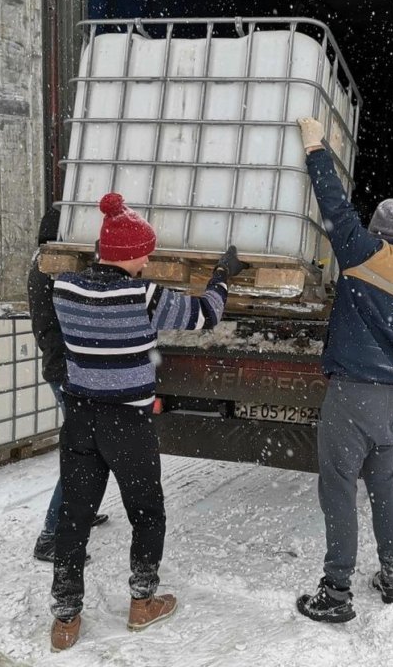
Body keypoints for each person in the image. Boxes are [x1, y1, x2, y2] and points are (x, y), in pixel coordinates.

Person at [48, 192, 247, 651]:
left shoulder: (64, 289)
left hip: (79, 417)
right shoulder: (145, 295)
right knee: (146, 511)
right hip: (127, 423)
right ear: (133, 255)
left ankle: (65, 620)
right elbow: (205, 315)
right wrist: (222, 276)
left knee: (74, 517)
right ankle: (142, 602)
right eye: (146, 252)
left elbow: (71, 278)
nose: (149, 258)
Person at [294, 118, 393, 623]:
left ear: (376, 230)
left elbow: (332, 202)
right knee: (383, 492)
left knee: (338, 491)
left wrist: (315, 147)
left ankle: (336, 593)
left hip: (352, 395)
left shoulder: (362, 251)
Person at [28, 207, 108, 564]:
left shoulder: (44, 265)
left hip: (63, 371)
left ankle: (81, 513)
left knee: (88, 452)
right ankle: (52, 537)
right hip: (69, 374)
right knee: (82, 457)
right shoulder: (55, 270)